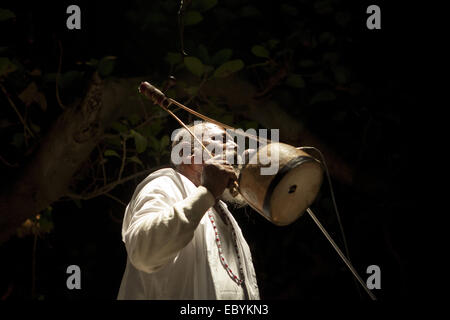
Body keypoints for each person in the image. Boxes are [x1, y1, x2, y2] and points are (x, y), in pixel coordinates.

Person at [117, 122, 260, 299]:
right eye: (222, 140)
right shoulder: (165, 183)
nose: (236, 146)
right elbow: (143, 251)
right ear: (188, 155)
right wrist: (207, 192)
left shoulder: (222, 211)